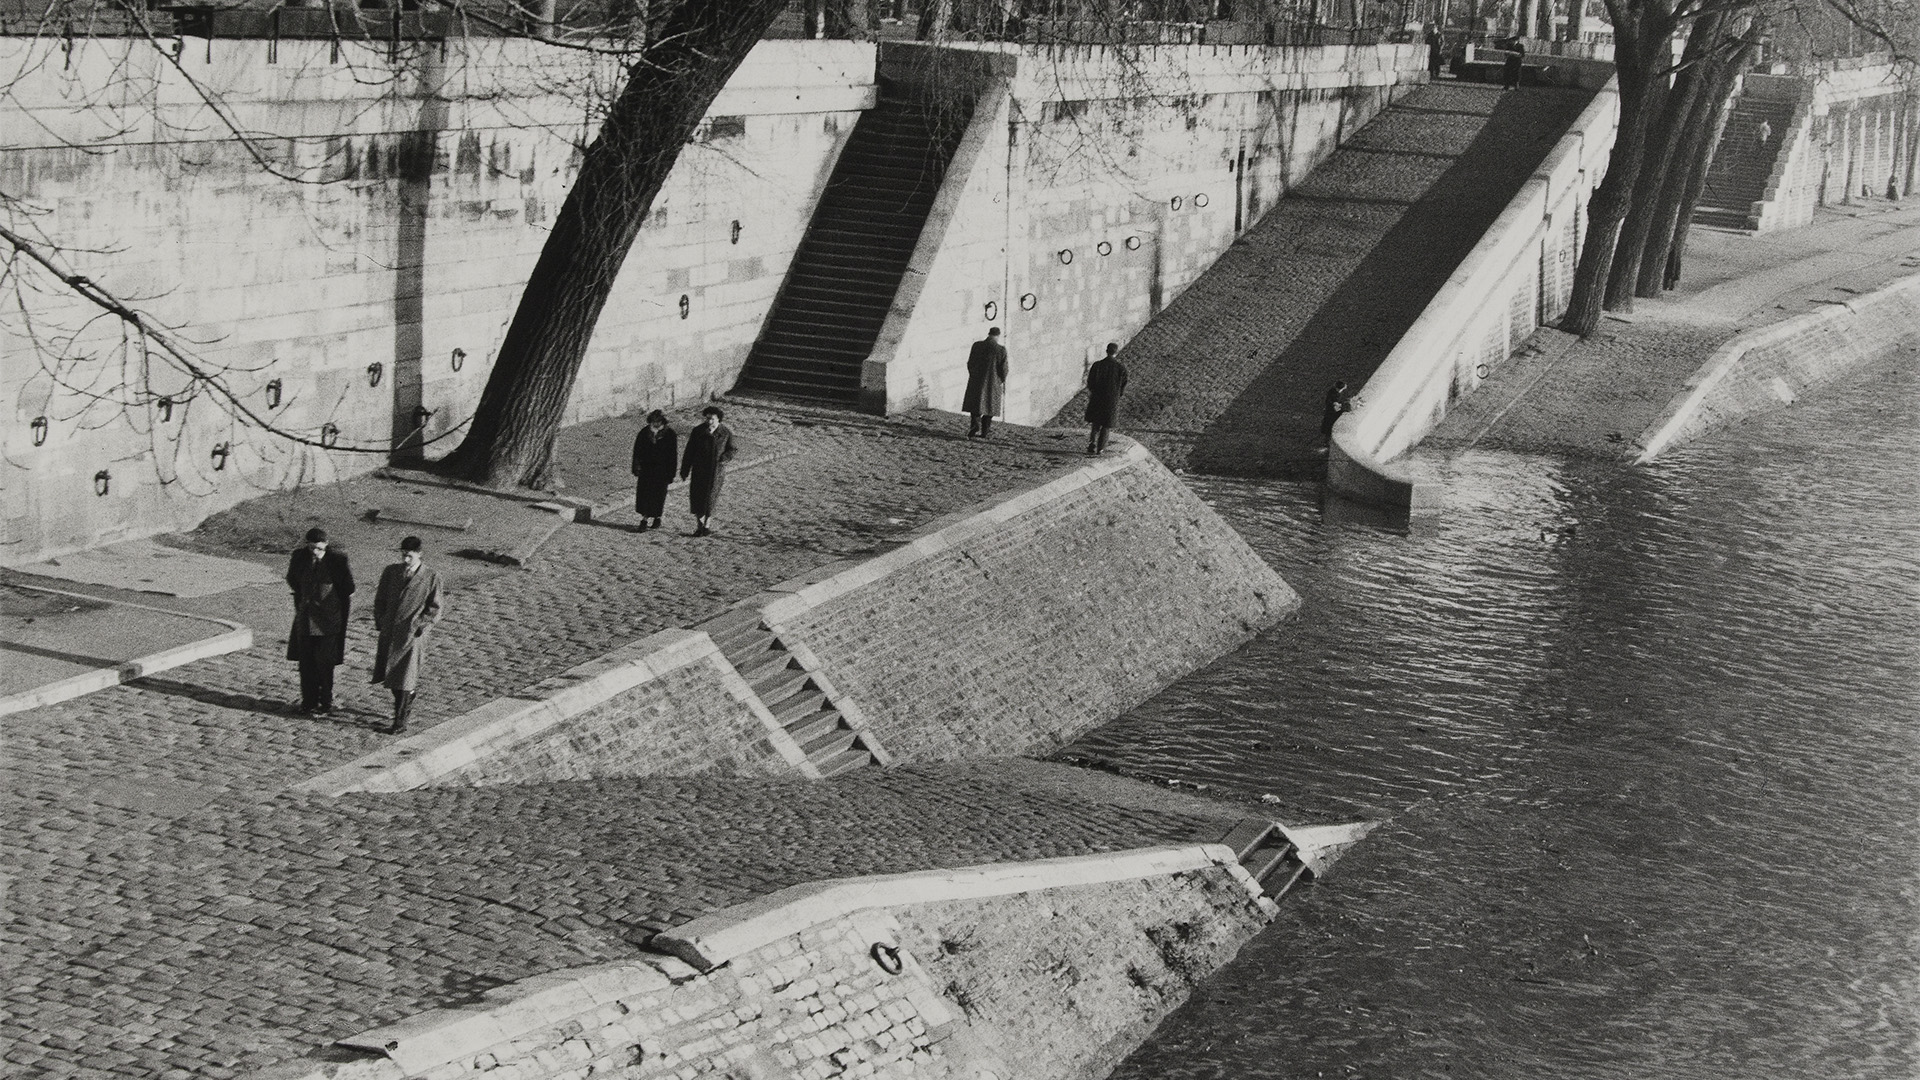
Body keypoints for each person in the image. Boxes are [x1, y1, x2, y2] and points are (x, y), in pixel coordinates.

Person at [372, 535, 442, 734]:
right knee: (393, 677)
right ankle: (407, 699)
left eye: (409, 556)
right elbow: (380, 599)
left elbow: (435, 608)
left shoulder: (431, 577)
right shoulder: (391, 572)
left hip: (412, 635)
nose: (405, 560)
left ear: (419, 555)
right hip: (391, 632)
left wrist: (419, 625)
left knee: (405, 679)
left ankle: (400, 722)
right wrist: (381, 621)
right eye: (403, 555)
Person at [285, 527, 353, 715]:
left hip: (328, 623)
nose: (315, 552)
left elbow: (348, 588)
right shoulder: (299, 557)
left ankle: (325, 702)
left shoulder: (337, 561)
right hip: (305, 621)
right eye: (312, 548)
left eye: (319, 549)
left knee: (324, 664)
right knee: (306, 665)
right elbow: (292, 579)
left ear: (326, 545)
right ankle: (308, 702)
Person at [680, 405, 736, 537]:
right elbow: (689, 451)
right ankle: (699, 526)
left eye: (712, 419)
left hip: (716, 472)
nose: (709, 422)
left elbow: (732, 449)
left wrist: (724, 458)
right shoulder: (698, 431)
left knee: (710, 499)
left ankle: (707, 525)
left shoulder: (725, 433)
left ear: (719, 420)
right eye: (707, 419)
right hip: (699, 470)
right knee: (698, 498)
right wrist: (685, 470)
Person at [630, 409, 678, 532]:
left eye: (658, 421)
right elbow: (637, 451)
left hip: (662, 471)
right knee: (645, 495)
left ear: (663, 421)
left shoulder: (670, 434)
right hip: (647, 470)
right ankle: (644, 520)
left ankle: (657, 517)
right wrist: (636, 466)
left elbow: (673, 455)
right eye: (653, 420)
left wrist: (671, 473)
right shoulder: (644, 433)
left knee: (658, 495)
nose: (656, 423)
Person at [1084, 342, 1130, 455]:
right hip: (1111, 400)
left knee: (1096, 422)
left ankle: (1092, 443)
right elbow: (1123, 384)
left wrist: (1094, 392)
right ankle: (1101, 448)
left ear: (1106, 351)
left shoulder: (1097, 365)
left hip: (1097, 397)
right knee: (1106, 424)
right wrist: (1117, 395)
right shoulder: (1121, 368)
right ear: (1116, 352)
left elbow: (1090, 382)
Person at [962, 327, 1008, 437]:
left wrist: (973, 375)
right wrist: (1000, 380)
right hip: (993, 383)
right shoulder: (1001, 350)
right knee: (990, 408)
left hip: (976, 381)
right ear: (997, 336)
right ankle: (985, 432)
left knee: (975, 406)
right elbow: (1004, 369)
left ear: (989, 334)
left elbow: (970, 363)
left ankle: (975, 425)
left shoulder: (977, 345)